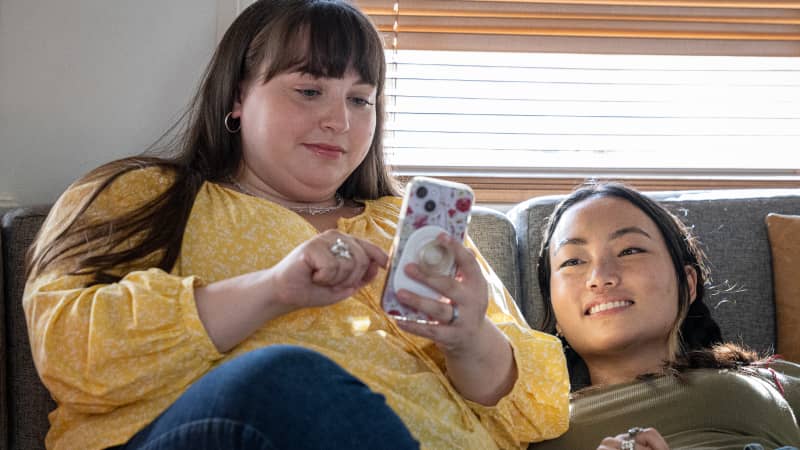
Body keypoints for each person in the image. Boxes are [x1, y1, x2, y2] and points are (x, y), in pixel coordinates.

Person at [22, 1, 569, 449]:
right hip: (216, 426)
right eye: (310, 90)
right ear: (238, 96)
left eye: (361, 99)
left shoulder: (410, 227)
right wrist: (273, 290)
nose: (341, 121)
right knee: (285, 377)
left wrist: (470, 338)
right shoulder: (146, 194)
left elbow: (533, 416)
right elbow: (71, 352)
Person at [528, 181, 800, 450]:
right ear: (554, 312)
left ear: (688, 284)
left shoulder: (769, 377)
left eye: (630, 250)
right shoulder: (528, 427)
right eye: (573, 261)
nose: (600, 278)